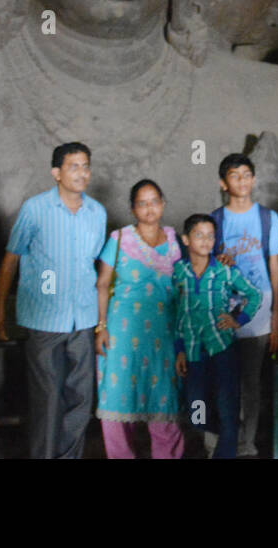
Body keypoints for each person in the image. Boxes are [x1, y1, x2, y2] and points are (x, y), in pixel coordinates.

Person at [0, 142, 107, 459]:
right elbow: (11, 260)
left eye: (86, 166)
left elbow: (96, 268)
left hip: (83, 319)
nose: (82, 172)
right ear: (56, 173)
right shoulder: (35, 209)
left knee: (81, 400)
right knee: (47, 401)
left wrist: (101, 321)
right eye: (73, 166)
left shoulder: (97, 213)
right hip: (45, 319)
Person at [94, 179, 183, 459]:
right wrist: (101, 326)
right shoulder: (118, 239)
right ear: (133, 208)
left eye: (154, 201)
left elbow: (183, 286)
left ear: (163, 203)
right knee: (119, 401)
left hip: (164, 334)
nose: (149, 208)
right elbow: (102, 283)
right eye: (142, 203)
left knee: (164, 402)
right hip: (121, 333)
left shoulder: (173, 240)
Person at [211, 153, 278, 457]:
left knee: (251, 383)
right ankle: (223, 439)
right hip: (224, 311)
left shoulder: (268, 218)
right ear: (222, 182)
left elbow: (276, 267)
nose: (241, 180)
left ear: (253, 179)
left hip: (259, 310)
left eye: (246, 174)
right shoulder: (215, 219)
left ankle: (247, 445)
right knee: (223, 379)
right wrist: (217, 262)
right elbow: (204, 267)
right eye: (234, 175)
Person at [173, 214, 263, 460]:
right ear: (186, 239)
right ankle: (226, 432)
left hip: (223, 350)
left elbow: (254, 294)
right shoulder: (178, 272)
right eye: (198, 235)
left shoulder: (224, 270)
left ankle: (226, 448)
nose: (205, 241)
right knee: (196, 414)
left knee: (228, 410)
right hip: (193, 353)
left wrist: (238, 320)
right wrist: (179, 349)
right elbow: (176, 313)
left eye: (210, 236)